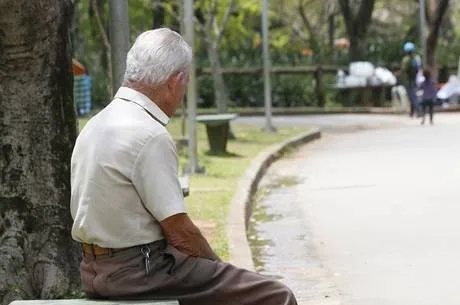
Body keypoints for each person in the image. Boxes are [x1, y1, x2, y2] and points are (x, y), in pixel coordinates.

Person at [70, 28, 298, 305]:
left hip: (93, 270)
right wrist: (219, 269)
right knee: (276, 296)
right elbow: (180, 232)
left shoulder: (97, 123)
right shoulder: (149, 134)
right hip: (141, 271)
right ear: (175, 82)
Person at [399, 41, 422, 117]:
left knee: (412, 97)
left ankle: (419, 112)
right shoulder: (415, 59)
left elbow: (403, 70)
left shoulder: (405, 59)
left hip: (408, 81)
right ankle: (412, 113)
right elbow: (418, 69)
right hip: (414, 80)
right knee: (412, 96)